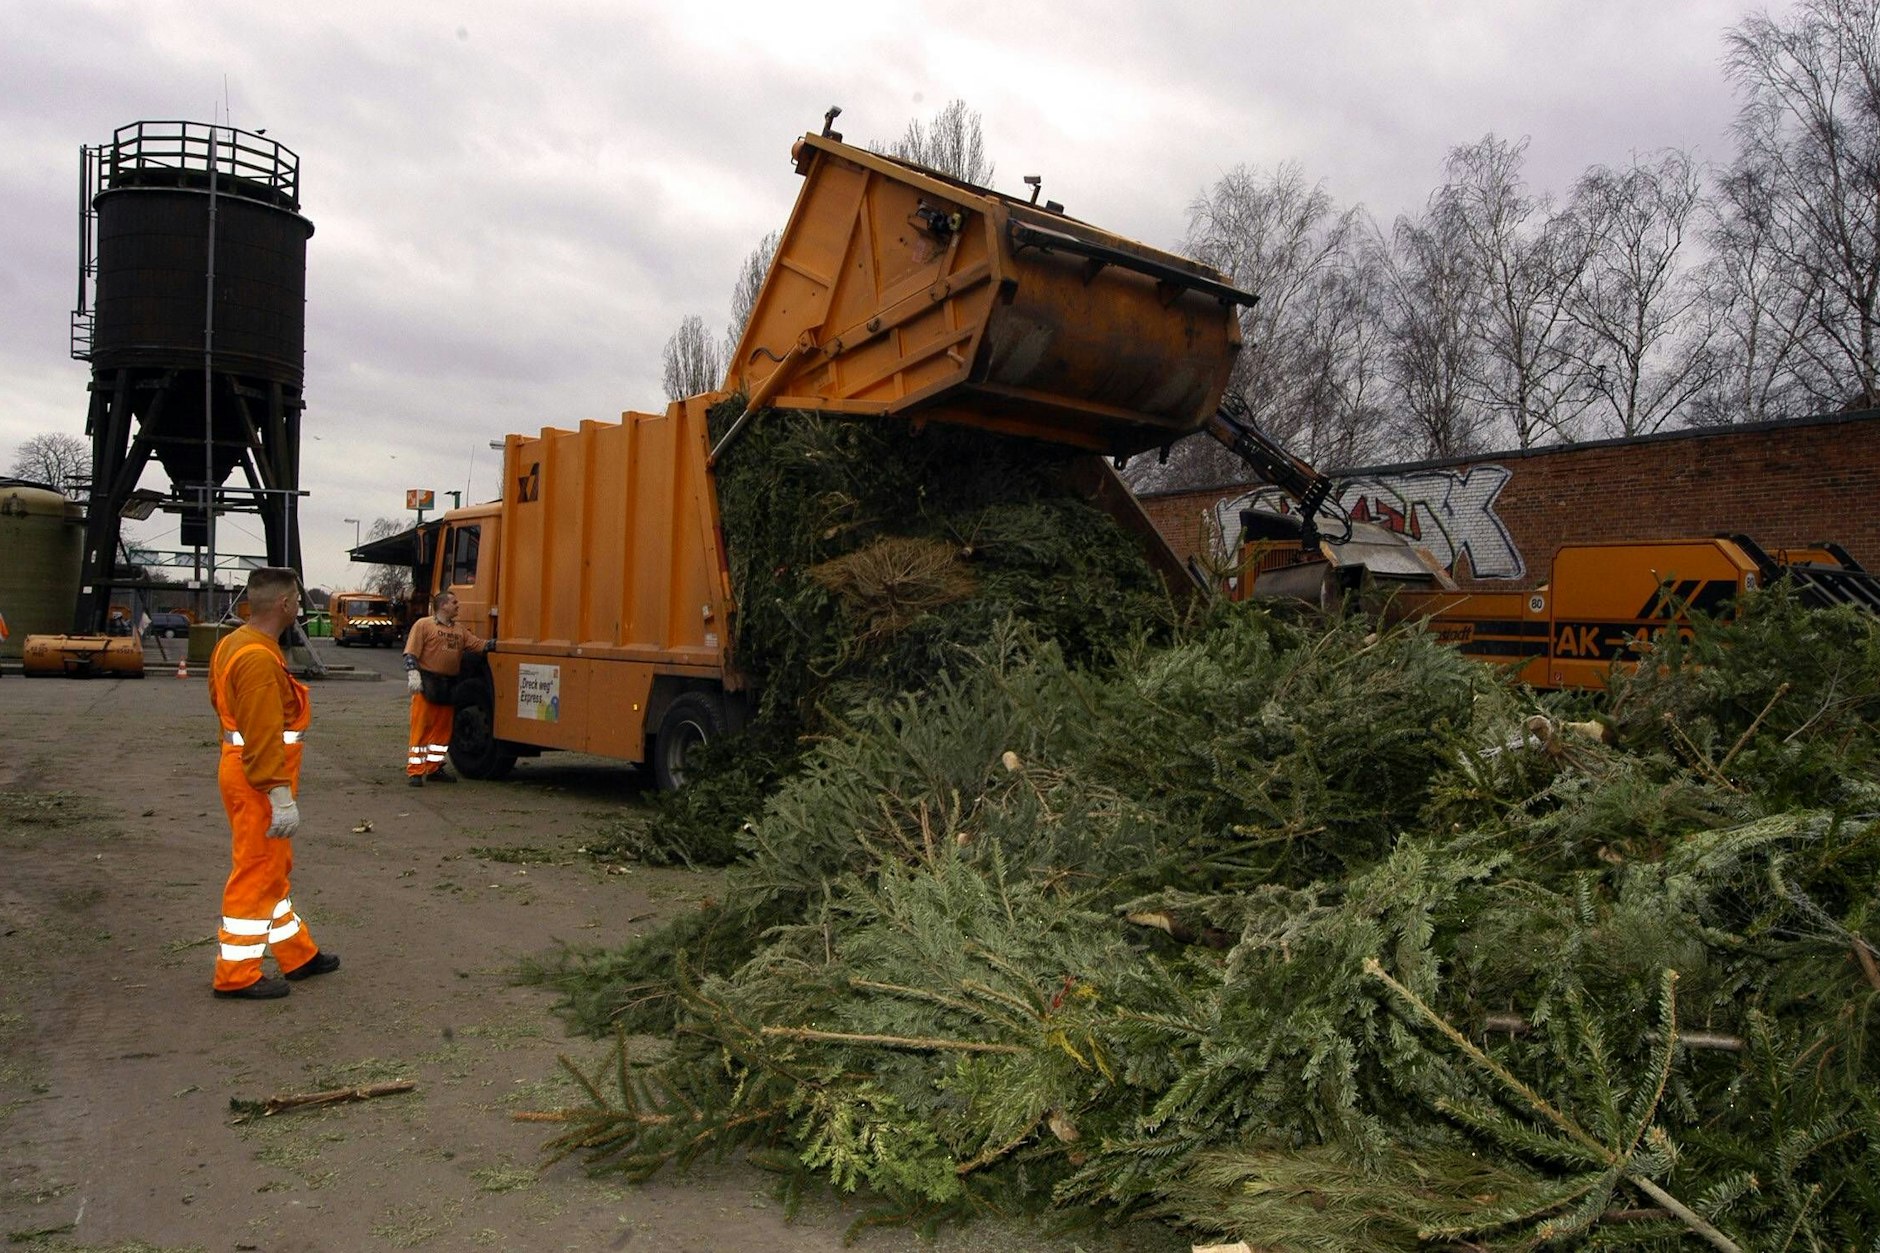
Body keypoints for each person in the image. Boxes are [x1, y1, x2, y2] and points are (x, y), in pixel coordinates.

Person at [208, 567, 338, 1000]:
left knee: (271, 866)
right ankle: (236, 973)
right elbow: (263, 734)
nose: (299, 606)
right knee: (257, 869)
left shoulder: (234, 644)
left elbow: (223, 705)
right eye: (297, 600)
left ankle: (296, 953)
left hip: (243, 771)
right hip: (259, 780)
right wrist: (279, 794)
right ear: (284, 605)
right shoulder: (260, 657)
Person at [402, 590, 494, 785]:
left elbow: (478, 645)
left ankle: (434, 768)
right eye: (454, 602)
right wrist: (413, 673)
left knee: (442, 731)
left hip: (449, 685)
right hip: (427, 683)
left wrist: (497, 645)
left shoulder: (459, 631)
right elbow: (411, 652)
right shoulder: (423, 625)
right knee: (421, 729)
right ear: (443, 605)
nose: (458, 605)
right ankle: (416, 771)